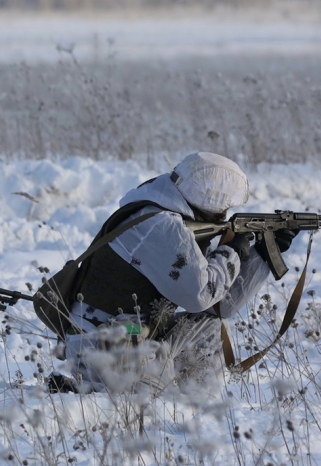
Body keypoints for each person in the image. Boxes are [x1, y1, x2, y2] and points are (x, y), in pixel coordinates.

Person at [51, 152, 298, 395]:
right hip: (107, 342)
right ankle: (96, 391)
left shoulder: (164, 215)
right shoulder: (162, 226)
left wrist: (262, 255)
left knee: (211, 326)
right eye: (223, 209)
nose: (225, 214)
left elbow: (219, 306)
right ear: (210, 201)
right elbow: (200, 296)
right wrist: (231, 252)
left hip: (128, 334)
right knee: (156, 410)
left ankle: (197, 409)